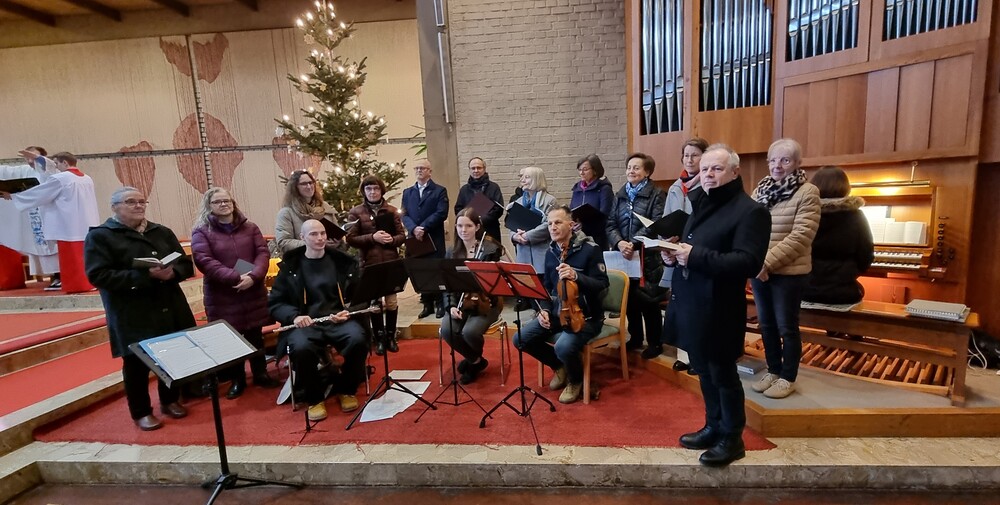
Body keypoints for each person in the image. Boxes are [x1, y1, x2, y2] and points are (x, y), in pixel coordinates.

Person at [663, 145, 770, 466]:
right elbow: (694, 248)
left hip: (719, 307)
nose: (708, 174)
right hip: (692, 302)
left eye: (716, 169)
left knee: (723, 375)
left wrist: (694, 255)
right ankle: (713, 426)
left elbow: (748, 262)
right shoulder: (703, 203)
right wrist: (674, 255)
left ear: (735, 172)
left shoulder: (750, 211)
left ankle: (732, 438)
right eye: (705, 169)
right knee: (704, 372)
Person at [84, 187, 196, 431]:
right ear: (114, 207)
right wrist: (145, 276)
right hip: (132, 310)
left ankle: (169, 400)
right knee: (136, 364)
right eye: (130, 202)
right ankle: (141, 411)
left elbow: (186, 265)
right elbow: (98, 275)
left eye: (141, 201)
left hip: (168, 303)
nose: (138, 206)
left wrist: (173, 273)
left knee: (172, 355)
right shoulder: (101, 236)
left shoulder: (161, 232)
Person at [268, 219, 368, 422]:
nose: (320, 238)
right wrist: (294, 316)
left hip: (338, 320)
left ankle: (346, 389)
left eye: (322, 233)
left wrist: (348, 311)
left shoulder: (342, 262)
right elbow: (276, 303)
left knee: (358, 339)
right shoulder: (291, 267)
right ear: (302, 238)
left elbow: (361, 297)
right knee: (301, 348)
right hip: (306, 324)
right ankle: (314, 398)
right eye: (313, 234)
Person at [190, 188, 281, 400]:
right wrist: (234, 278)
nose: (223, 204)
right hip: (223, 294)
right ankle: (237, 379)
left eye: (227, 200)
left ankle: (260, 373)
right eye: (217, 201)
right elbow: (204, 260)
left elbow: (262, 253)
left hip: (252, 289)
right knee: (232, 338)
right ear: (209, 206)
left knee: (255, 334)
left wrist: (254, 276)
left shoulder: (250, 227)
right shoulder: (202, 231)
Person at [513, 206, 609, 404]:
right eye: (549, 223)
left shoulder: (591, 249)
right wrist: (544, 310)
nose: (552, 227)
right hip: (559, 313)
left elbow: (602, 284)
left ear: (571, 225)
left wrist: (577, 276)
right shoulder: (551, 252)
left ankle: (576, 380)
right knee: (520, 339)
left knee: (563, 346)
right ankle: (560, 366)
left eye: (558, 222)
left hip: (586, 317)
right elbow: (547, 290)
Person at [750, 138, 821, 400]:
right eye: (772, 160)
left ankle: (787, 377)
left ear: (797, 163)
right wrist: (754, 262)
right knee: (766, 325)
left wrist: (765, 263)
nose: (777, 165)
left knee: (787, 327)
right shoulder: (760, 189)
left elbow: (801, 236)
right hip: (760, 272)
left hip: (790, 274)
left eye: (785, 160)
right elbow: (748, 227)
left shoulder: (808, 192)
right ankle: (773, 370)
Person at [2, 151, 99, 293]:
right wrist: (38, 159)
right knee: (82, 257)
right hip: (84, 222)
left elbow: (40, 193)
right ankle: (87, 283)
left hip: (67, 224)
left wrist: (14, 196)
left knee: (71, 258)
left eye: (57, 163)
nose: (56, 167)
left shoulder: (61, 178)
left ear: (65, 162)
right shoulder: (86, 178)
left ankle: (76, 286)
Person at [605, 152, 667, 359]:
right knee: (629, 299)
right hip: (624, 255)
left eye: (636, 168)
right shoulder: (620, 194)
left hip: (646, 255)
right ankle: (636, 337)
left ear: (647, 172)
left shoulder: (657, 194)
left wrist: (632, 242)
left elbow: (655, 223)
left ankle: (655, 342)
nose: (631, 171)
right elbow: (610, 223)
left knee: (648, 300)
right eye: (629, 167)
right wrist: (619, 242)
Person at [439, 208, 505, 384]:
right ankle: (476, 361)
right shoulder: (452, 252)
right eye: (460, 226)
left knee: (469, 332)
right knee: (447, 329)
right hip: (461, 302)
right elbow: (448, 285)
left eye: (468, 226)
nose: (463, 230)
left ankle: (471, 361)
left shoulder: (489, 249)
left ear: (477, 227)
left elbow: (493, 285)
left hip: (486, 302)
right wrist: (451, 306)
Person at [660, 137, 710, 370]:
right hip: (677, 250)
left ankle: (699, 356)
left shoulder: (708, 186)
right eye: (686, 155)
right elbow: (667, 219)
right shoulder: (675, 187)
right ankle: (685, 355)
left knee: (698, 308)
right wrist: (665, 240)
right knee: (681, 306)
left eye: (695, 155)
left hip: (697, 251)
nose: (689, 160)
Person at [346, 175, 406, 355]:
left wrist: (391, 240)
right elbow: (351, 238)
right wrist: (373, 237)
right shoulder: (356, 212)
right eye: (369, 189)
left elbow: (402, 236)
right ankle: (379, 338)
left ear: (381, 190)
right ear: (364, 191)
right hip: (370, 263)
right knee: (375, 302)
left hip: (390, 262)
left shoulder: (392, 211)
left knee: (391, 301)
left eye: (376, 188)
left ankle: (391, 336)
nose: (372, 192)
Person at [802, 166, 874, 305]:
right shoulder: (856, 217)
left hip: (806, 291)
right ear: (846, 187)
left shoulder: (805, 215)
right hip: (843, 292)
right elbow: (866, 256)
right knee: (859, 290)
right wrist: (847, 276)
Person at [0, 146, 59, 289]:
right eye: (27, 158)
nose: (30, 160)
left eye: (33, 157)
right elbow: (8, 172)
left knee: (54, 247)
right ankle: (53, 275)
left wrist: (38, 159)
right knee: (42, 246)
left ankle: (60, 275)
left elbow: (44, 188)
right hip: (35, 216)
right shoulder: (26, 170)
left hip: (50, 215)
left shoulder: (50, 170)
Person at [401, 159, 450, 319]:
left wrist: (423, 227)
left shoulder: (439, 191)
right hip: (416, 239)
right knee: (420, 270)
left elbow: (441, 212)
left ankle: (440, 303)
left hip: (433, 237)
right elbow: (404, 214)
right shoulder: (408, 192)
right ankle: (427, 304)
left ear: (430, 171)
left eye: (422, 168)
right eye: (416, 168)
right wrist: (413, 228)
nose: (419, 171)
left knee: (435, 269)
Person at [274, 169, 338, 255]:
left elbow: (338, 237)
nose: (309, 186)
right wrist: (312, 244)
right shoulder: (287, 213)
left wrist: (337, 242)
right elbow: (283, 242)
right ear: (295, 187)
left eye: (311, 183)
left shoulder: (325, 207)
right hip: (302, 259)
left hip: (328, 257)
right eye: (304, 184)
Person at [509, 166, 557, 275]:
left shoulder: (550, 201)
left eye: (527, 177)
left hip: (542, 253)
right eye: (522, 177)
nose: (522, 180)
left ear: (536, 179)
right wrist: (514, 236)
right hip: (523, 257)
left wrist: (527, 236)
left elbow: (548, 225)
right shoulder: (518, 202)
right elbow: (512, 225)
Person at [568, 154, 614, 251]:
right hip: (578, 238)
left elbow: (606, 216)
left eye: (585, 169)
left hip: (597, 238)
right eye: (580, 170)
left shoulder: (604, 189)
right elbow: (572, 210)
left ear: (595, 170)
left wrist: (584, 226)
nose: (582, 173)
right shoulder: (577, 189)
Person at [454, 157, 504, 243]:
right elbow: (458, 209)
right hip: (469, 232)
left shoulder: (493, 187)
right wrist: (469, 220)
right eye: (473, 168)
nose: (476, 170)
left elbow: (498, 209)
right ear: (469, 170)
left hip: (490, 231)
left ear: (484, 169)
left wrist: (480, 220)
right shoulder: (464, 189)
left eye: (479, 168)